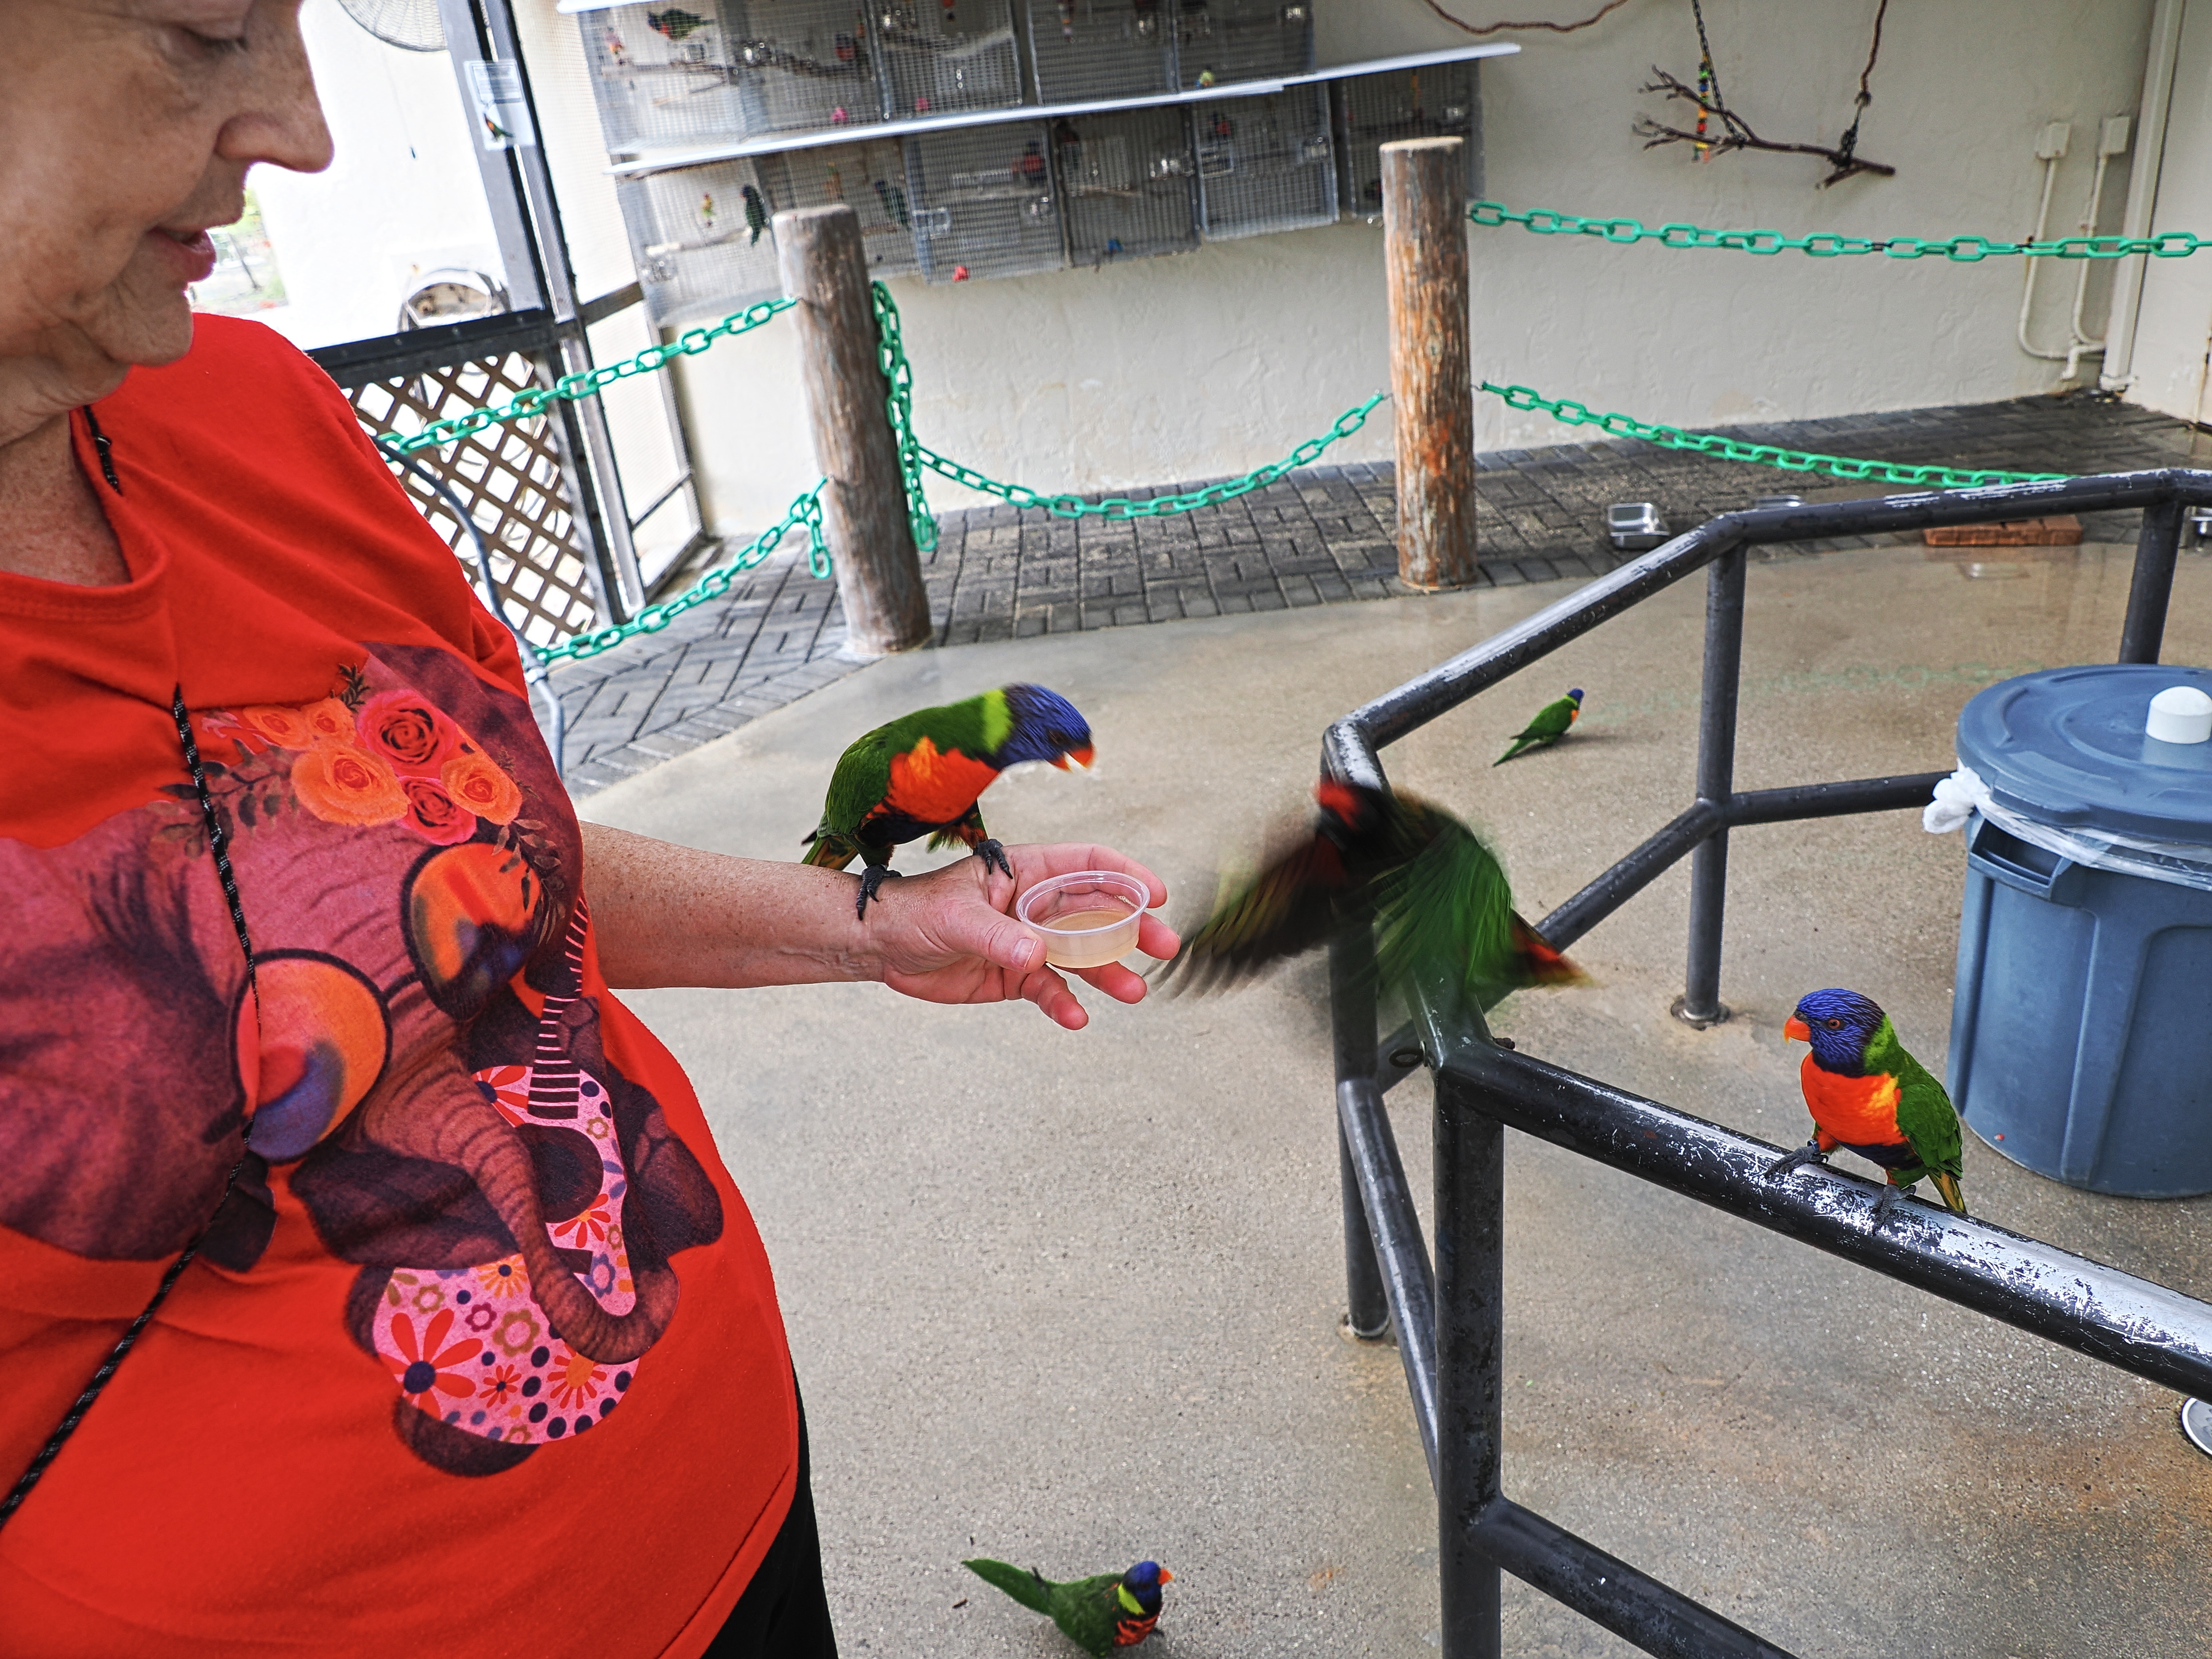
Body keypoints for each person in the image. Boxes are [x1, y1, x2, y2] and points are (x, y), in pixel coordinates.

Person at [0, 6, 1177, 1655]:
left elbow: (481, 866)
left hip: (728, 1497)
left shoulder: (254, 406)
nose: (304, 131)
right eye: (204, 26)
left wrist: (871, 923)